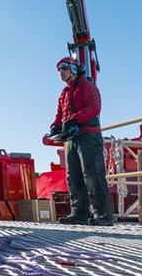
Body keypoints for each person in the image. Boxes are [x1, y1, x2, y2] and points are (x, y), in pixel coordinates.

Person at [47, 56, 114, 226]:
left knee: (93, 175)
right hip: (71, 139)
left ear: (74, 69)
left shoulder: (87, 86)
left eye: (64, 68)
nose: (61, 72)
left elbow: (94, 107)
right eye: (59, 70)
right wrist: (55, 126)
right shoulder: (64, 93)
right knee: (73, 177)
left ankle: (103, 216)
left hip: (88, 136)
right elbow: (59, 115)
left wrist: (75, 119)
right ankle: (79, 214)